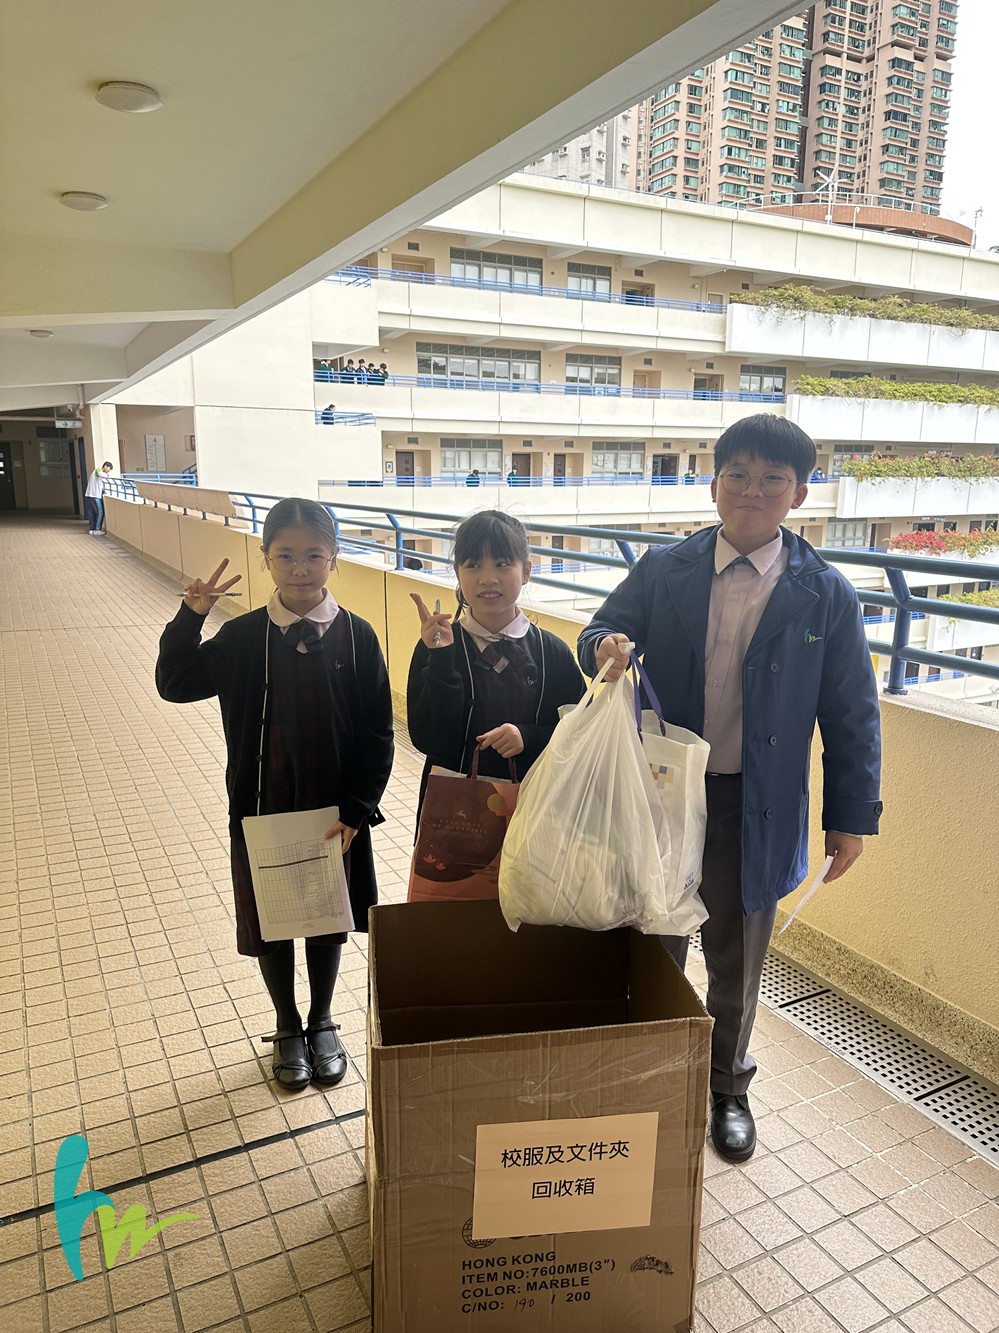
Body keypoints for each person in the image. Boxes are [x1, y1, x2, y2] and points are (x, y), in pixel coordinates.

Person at [577, 415, 882, 1164]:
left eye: (772, 478)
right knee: (653, 939)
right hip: (663, 794)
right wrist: (603, 647)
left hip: (757, 804)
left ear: (798, 493)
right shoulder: (665, 568)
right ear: (714, 482)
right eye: (737, 474)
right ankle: (650, 1070)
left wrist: (850, 816)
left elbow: (851, 712)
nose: (752, 490)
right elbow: (600, 631)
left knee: (737, 958)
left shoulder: (824, 593)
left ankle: (727, 1087)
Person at [156, 497, 394, 1092]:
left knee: (327, 918)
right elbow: (175, 683)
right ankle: (287, 1023)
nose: (299, 568)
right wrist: (190, 617)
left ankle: (322, 1020)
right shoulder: (241, 636)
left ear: (334, 558)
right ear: (266, 559)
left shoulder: (358, 637)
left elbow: (378, 733)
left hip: (334, 813)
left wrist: (358, 811)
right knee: (272, 921)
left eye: (313, 554)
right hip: (262, 808)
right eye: (285, 555)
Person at [407, 510, 584, 823]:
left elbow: (579, 731)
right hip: (453, 818)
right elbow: (428, 740)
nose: (487, 578)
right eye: (473, 564)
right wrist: (442, 659)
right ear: (458, 572)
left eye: (502, 564)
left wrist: (527, 737)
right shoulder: (436, 647)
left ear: (526, 571)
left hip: (534, 813)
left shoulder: (552, 652)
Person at [84, 461, 113, 535]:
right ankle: (97, 530)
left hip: (90, 495)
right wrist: (107, 475)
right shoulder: (98, 470)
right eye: (109, 469)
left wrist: (103, 491)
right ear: (105, 466)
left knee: (92, 513)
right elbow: (100, 473)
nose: (108, 471)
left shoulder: (97, 474)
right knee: (100, 512)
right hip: (95, 496)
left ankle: (92, 529)